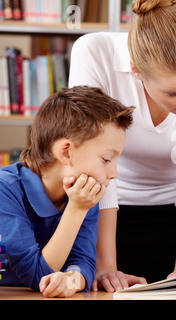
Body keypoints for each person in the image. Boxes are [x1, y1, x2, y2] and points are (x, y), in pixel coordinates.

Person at [68, 0, 176, 290]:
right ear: (136, 70)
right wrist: (106, 265)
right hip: (105, 212)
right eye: (174, 92)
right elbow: (97, 160)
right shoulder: (94, 53)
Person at [0, 86, 135, 298]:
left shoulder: (83, 194)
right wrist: (76, 209)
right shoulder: (5, 189)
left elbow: (85, 263)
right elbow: (37, 275)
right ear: (66, 152)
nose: (113, 174)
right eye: (107, 160)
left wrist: (71, 279)